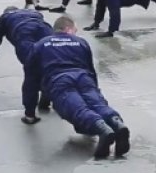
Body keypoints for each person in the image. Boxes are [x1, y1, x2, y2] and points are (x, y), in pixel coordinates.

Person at [22, 16, 131, 158]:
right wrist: (95, 90)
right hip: (84, 78)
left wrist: (29, 112)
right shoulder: (81, 42)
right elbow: (91, 70)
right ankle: (117, 124)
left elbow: (30, 80)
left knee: (76, 109)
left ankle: (101, 128)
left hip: (59, 81)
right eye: (75, 29)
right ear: (68, 28)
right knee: (98, 104)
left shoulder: (40, 45)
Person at [0, 6, 53, 83]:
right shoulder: (33, 12)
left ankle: (46, 86)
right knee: (55, 53)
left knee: (31, 65)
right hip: (44, 28)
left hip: (23, 31)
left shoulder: (5, 17)